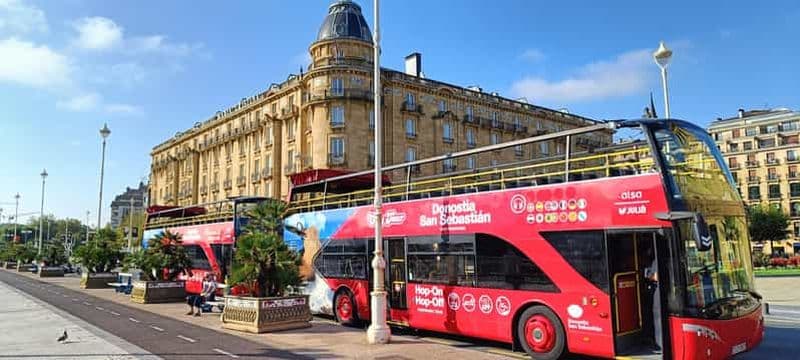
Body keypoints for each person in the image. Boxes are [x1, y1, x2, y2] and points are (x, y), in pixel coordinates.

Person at [643, 248, 662, 352]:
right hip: (655, 291)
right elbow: (652, 275)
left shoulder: (657, 260)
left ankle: (658, 342)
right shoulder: (655, 260)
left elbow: (654, 276)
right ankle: (657, 342)